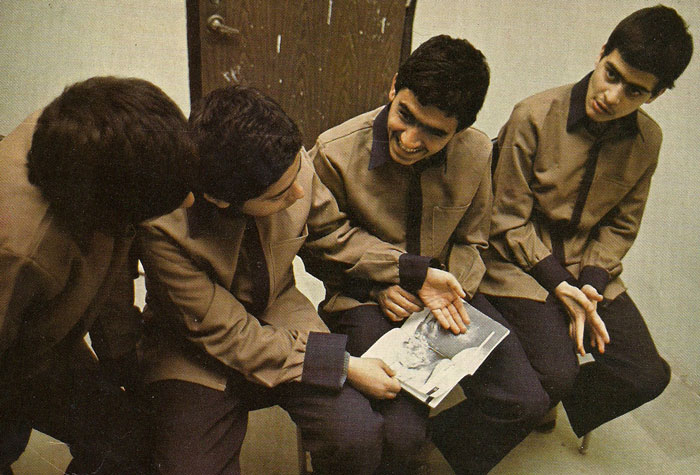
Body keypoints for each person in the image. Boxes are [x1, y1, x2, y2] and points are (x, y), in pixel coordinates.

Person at [137, 84, 467, 475]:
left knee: (357, 435)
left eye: (298, 172)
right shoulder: (162, 228)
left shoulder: (289, 166)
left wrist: (413, 271)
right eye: (278, 196)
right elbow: (233, 336)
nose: (298, 193)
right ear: (221, 200)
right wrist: (343, 363)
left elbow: (333, 235)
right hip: (191, 351)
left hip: (281, 317)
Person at [309, 35, 549, 474]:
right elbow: (319, 242)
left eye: (435, 133)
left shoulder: (478, 151)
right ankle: (407, 453)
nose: (409, 139)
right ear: (393, 86)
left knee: (525, 401)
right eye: (405, 115)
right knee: (402, 433)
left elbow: (473, 241)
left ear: (459, 131)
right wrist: (384, 282)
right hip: (363, 297)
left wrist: (444, 291)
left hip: (446, 295)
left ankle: (434, 454)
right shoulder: (333, 152)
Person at [480, 5, 693, 439]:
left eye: (635, 91)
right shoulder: (533, 115)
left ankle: (548, 397)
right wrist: (559, 284)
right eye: (612, 74)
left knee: (647, 375)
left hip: (587, 267)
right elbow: (506, 219)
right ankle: (454, 440)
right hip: (516, 264)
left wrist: (591, 285)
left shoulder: (648, 140)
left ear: (655, 95)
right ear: (601, 53)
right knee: (558, 371)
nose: (612, 96)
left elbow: (621, 226)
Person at [0, 76, 196, 474]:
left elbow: (105, 265)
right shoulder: (21, 250)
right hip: (11, 354)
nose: (189, 200)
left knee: (124, 439)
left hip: (43, 341)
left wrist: (123, 362)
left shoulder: (84, 138)